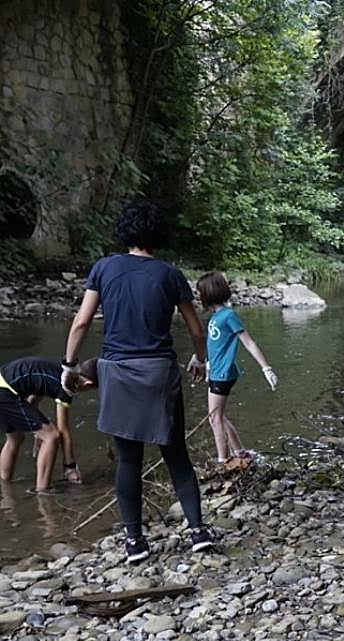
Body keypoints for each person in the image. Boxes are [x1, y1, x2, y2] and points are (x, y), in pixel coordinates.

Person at [62, 199, 216, 562]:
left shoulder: (104, 268)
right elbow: (196, 330)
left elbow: (81, 323)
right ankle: (197, 532)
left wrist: (69, 365)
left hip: (117, 373)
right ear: (158, 234)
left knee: (128, 460)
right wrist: (200, 358)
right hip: (159, 372)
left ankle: (134, 542)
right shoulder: (170, 274)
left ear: (125, 232)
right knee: (176, 455)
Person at [196, 271, 279, 466]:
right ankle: (240, 452)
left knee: (214, 418)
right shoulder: (217, 316)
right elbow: (215, 344)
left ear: (208, 294)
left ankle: (223, 460)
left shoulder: (228, 316)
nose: (198, 296)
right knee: (218, 415)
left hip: (222, 374)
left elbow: (248, 342)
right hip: (217, 371)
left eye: (200, 292)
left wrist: (266, 368)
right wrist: (205, 363)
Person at [0, 356, 97, 491]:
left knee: (15, 438)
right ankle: (42, 491)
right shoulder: (67, 386)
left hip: (4, 384)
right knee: (52, 436)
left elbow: (34, 392)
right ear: (88, 384)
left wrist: (37, 432)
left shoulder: (62, 371)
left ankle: (5, 489)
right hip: (5, 392)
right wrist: (70, 466)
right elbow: (63, 429)